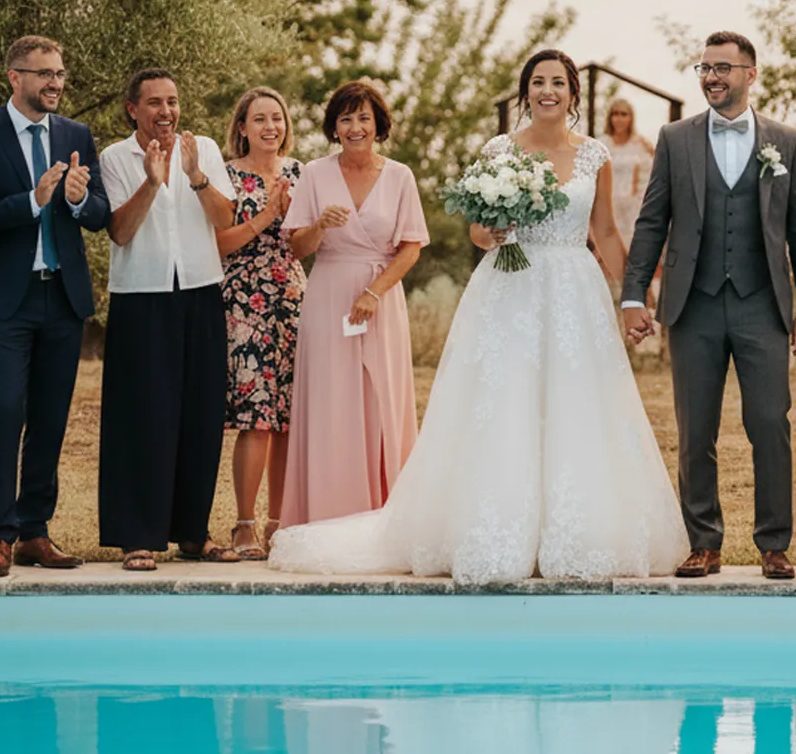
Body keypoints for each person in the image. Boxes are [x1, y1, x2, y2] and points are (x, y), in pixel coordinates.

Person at [268, 51, 687, 581]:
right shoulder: (499, 150)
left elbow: (604, 231)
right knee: (502, 401)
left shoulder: (595, 156)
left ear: (573, 94)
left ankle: (578, 530)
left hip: (573, 291)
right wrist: (489, 234)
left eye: (558, 82)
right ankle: (494, 527)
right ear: (525, 91)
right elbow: (475, 231)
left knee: (578, 402)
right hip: (509, 288)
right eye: (538, 82)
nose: (547, 91)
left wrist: (632, 296)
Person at [621, 31, 796, 580]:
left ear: (750, 74)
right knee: (696, 430)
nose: (711, 77)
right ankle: (703, 541)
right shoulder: (674, 138)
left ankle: (773, 544)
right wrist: (634, 294)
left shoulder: (786, 141)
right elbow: (651, 220)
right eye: (704, 68)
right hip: (694, 305)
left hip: (763, 306)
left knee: (769, 424)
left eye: (722, 68)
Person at [0, 35, 108, 578]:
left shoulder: (76, 135)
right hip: (4, 302)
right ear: (14, 77)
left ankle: (36, 532)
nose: (56, 83)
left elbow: (99, 212)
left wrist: (78, 198)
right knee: (6, 413)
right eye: (44, 74)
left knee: (49, 419)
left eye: (60, 73)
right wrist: (31, 201)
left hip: (61, 297)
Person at [97, 69, 241, 571]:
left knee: (200, 416)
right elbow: (119, 231)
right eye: (154, 102)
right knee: (143, 416)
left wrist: (196, 175)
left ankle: (193, 534)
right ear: (132, 109)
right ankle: (139, 535)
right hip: (142, 298)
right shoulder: (114, 158)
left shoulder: (201, 147)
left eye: (173, 101)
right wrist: (152, 183)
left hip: (201, 291)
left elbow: (225, 220)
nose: (166, 111)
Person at [278, 80, 427, 528]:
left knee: (383, 400)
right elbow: (297, 248)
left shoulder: (400, 176)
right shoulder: (315, 174)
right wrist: (320, 224)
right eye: (346, 118)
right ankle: (327, 514)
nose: (355, 126)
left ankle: (387, 516)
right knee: (331, 402)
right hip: (327, 298)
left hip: (380, 300)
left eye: (364, 117)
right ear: (334, 126)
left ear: (378, 124)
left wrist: (374, 292)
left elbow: (411, 247)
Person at [214, 87, 307, 561]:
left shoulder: (300, 172)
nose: (271, 126)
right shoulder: (226, 177)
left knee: (288, 418)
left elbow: (303, 245)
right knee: (255, 418)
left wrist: (311, 225)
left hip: (292, 299)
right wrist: (269, 214)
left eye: (278, 118)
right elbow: (218, 245)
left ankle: (281, 521)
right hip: (244, 303)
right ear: (243, 128)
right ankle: (244, 524)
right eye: (260, 119)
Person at [604, 97, 655, 249]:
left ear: (631, 118)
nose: (619, 119)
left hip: (634, 206)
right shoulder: (602, 144)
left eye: (623, 114)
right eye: (615, 114)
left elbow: (651, 175)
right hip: (609, 205)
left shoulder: (641, 144)